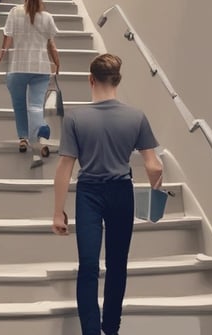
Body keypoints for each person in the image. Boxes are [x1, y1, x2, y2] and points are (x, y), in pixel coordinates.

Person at [51, 53, 163, 335]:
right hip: (121, 192)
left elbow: (65, 167)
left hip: (88, 193)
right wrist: (156, 191)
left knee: (88, 264)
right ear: (118, 81)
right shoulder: (136, 117)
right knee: (117, 265)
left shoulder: (75, 118)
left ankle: (90, 331)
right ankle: (111, 329)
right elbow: (153, 166)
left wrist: (57, 210)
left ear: (91, 79)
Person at [0, 0, 60, 168]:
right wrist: (57, 62)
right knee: (35, 105)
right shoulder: (47, 17)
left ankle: (23, 139)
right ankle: (40, 137)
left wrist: (0, 54)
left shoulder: (14, 12)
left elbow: (8, 39)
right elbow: (51, 44)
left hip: (17, 66)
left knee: (19, 105)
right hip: (41, 67)